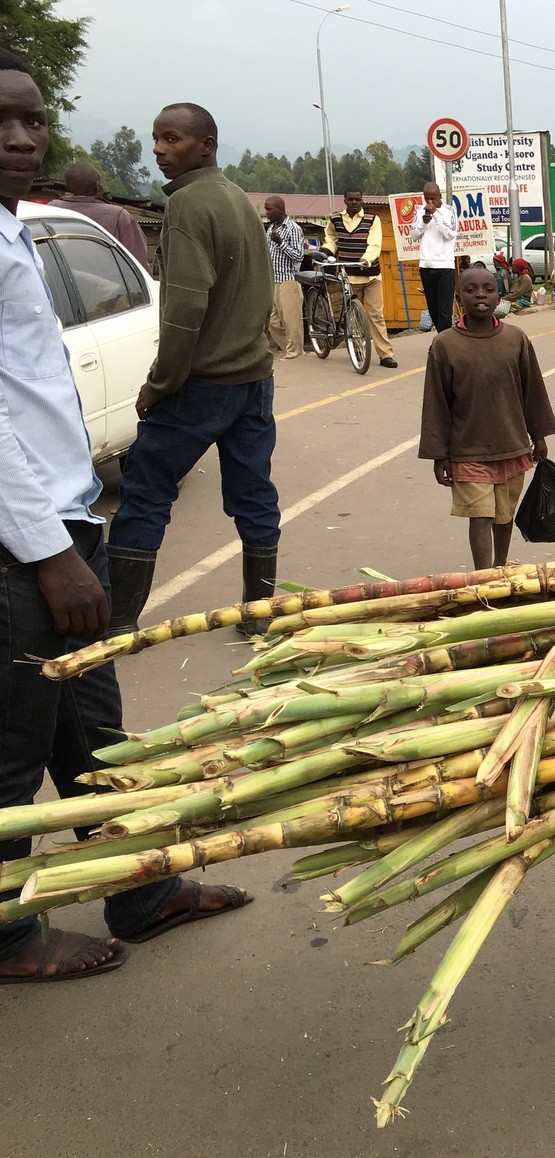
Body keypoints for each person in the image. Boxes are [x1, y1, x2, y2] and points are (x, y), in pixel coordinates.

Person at [0, 53, 252, 984]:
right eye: (2, 123)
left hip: (66, 526)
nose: (24, 140)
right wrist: (47, 555)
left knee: (96, 734)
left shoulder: (18, 232)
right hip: (23, 547)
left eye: (32, 121)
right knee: (12, 750)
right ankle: (4, 938)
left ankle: (142, 892)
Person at [106, 101, 281, 638]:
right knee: (253, 494)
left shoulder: (188, 207)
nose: (159, 149)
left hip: (203, 383)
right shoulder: (236, 199)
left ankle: (117, 622)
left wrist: (158, 386)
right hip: (253, 378)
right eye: (156, 139)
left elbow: (183, 310)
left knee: (145, 490)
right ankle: (258, 613)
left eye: (172, 139)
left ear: (206, 144)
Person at [419, 265, 555, 570]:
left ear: (499, 297)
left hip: (512, 445)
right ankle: (483, 578)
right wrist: (438, 455)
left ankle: (501, 566)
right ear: (458, 297)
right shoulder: (445, 344)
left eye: (488, 289)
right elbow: (436, 404)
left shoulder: (516, 339)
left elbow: (532, 389)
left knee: (503, 514)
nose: (480, 294)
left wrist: (539, 436)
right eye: (471, 290)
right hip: (467, 451)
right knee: (480, 516)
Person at [330, 188, 397, 368]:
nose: (354, 202)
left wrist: (366, 259)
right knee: (354, 316)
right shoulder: (335, 219)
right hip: (349, 276)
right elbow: (331, 237)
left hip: (371, 275)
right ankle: (358, 349)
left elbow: (375, 243)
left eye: (357, 199)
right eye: (350, 199)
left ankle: (385, 354)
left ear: (362, 201)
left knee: (376, 315)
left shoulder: (372, 220)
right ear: (344, 200)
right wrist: (326, 250)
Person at [49, 161, 150, 271]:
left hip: (58, 281)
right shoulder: (118, 216)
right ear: (97, 187)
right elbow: (138, 264)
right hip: (107, 285)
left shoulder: (52, 208)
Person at [408, 181, 457, 334]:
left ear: (439, 196)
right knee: (433, 309)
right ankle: (442, 338)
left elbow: (450, 235)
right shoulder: (420, 211)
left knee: (444, 310)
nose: (429, 202)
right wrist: (423, 222)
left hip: (445, 267)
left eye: (433, 198)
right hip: (426, 266)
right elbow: (414, 235)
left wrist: (435, 214)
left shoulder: (449, 211)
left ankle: (445, 343)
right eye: (427, 198)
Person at [261, 195, 304, 359]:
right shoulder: (271, 228)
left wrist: (281, 243)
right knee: (272, 321)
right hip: (273, 280)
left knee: (291, 321)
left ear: (280, 209)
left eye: (269, 209)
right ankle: (292, 348)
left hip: (288, 279)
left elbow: (299, 256)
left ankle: (294, 354)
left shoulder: (293, 228)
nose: (267, 213)